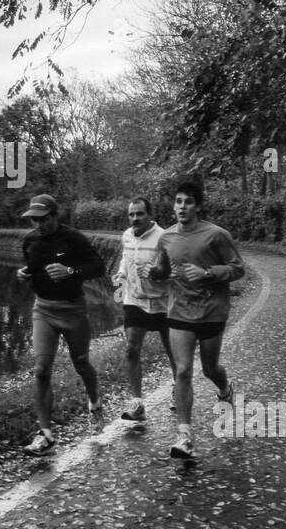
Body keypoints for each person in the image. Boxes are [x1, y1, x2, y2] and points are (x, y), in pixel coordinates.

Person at [148, 179, 245, 460]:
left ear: (198, 206)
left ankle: (225, 390)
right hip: (179, 309)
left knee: (210, 369)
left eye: (188, 202)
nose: (182, 207)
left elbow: (238, 269)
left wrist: (207, 273)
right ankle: (185, 436)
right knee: (182, 371)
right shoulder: (165, 237)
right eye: (178, 201)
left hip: (212, 310)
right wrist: (154, 273)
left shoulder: (216, 235)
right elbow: (163, 270)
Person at [16, 194, 107, 455]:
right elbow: (30, 269)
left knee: (81, 363)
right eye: (35, 219)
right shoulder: (30, 240)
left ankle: (95, 404)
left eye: (44, 219)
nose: (39, 224)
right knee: (41, 369)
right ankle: (45, 435)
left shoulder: (74, 239)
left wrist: (70, 271)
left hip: (73, 309)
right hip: (43, 309)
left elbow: (98, 267)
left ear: (56, 216)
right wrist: (22, 275)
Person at [112, 197, 176, 423]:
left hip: (163, 303)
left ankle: (178, 387)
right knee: (131, 348)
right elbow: (124, 258)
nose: (135, 218)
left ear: (150, 215)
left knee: (173, 351)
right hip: (135, 299)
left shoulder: (164, 237)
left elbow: (172, 269)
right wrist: (121, 273)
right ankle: (137, 403)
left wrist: (156, 272)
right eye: (131, 214)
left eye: (139, 214)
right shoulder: (127, 235)